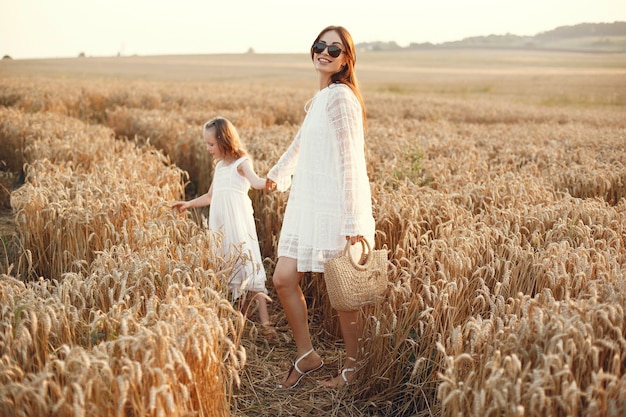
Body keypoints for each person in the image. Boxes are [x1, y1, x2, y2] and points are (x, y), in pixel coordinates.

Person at [265, 25, 376, 389]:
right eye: (320, 45)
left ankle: (353, 370)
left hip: (333, 207)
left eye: (334, 49)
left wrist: (353, 218)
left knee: (343, 293)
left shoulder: (342, 97)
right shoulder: (322, 97)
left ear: (346, 60)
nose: (325, 53)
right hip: (306, 205)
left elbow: (350, 161)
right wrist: (276, 174)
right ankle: (307, 356)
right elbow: (300, 144)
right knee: (283, 279)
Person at [172, 117, 273, 332]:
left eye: (211, 144)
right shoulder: (219, 167)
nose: (208, 149)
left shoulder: (241, 162)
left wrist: (273, 180)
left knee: (249, 263)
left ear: (224, 140)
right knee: (231, 264)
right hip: (222, 225)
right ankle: (242, 317)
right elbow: (210, 196)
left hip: (238, 221)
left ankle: (265, 322)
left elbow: (255, 183)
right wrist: (188, 204)